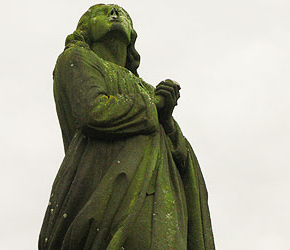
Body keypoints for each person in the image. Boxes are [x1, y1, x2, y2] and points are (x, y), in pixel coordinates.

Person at [40, 4, 215, 250]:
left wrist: (167, 121)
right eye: (103, 12)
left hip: (160, 191)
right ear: (86, 28)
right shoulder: (76, 59)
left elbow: (179, 153)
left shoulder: (145, 87)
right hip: (109, 189)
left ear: (132, 35)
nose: (114, 14)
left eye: (121, 13)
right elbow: (93, 112)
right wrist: (153, 105)